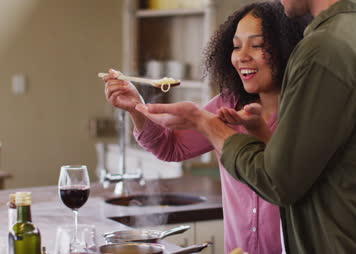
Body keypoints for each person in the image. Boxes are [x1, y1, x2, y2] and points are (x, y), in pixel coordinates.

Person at [134, 0, 356, 253]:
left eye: (258, 45)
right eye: (237, 47)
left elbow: (279, 182)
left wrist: (204, 122)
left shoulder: (325, 48)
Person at [102, 2, 310, 253]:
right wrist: (136, 107)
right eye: (235, 46)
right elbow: (171, 146)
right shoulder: (228, 103)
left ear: (287, 48)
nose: (241, 56)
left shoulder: (307, 112)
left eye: (256, 45)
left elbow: (287, 179)